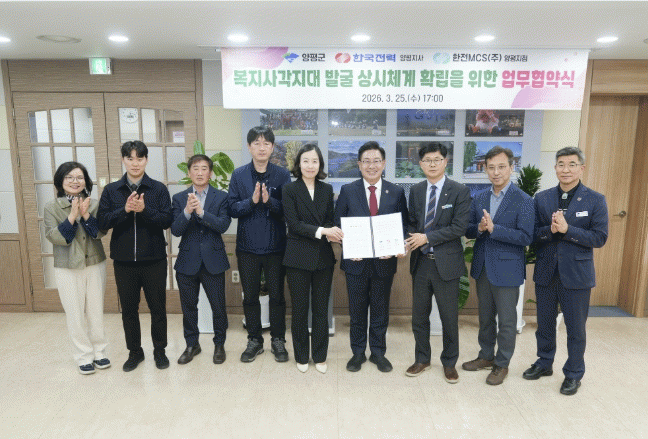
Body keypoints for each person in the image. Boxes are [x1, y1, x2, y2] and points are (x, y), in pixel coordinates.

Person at [523, 147, 608, 395]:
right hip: (547, 271)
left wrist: (567, 230)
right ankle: (544, 362)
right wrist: (550, 231)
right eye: (561, 164)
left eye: (572, 164)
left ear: (581, 168)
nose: (566, 170)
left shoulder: (595, 199)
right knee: (545, 324)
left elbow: (599, 237)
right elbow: (533, 234)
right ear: (555, 168)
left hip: (577, 275)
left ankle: (573, 373)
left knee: (576, 329)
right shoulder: (542, 198)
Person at [98, 141, 173, 372]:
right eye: (130, 158)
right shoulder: (112, 190)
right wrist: (125, 210)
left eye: (139, 158)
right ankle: (135, 352)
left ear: (146, 160)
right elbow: (102, 222)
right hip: (123, 261)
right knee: (129, 310)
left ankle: (159, 351)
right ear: (123, 160)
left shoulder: (158, 189)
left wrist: (144, 210)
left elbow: (167, 221)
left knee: (158, 308)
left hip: (154, 260)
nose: (135, 163)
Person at [462, 146, 534, 385]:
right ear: (485, 169)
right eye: (491, 167)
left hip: (508, 271)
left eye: (501, 167)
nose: (496, 172)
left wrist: (495, 229)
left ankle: (501, 364)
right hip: (483, 268)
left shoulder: (523, 200)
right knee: (485, 318)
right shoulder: (480, 197)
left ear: (512, 168)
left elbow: (526, 237)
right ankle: (486, 356)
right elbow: (468, 229)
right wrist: (479, 228)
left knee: (507, 321)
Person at [334, 141, 408, 373]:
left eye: (376, 161)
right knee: (356, 311)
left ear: (384, 163)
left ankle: (378, 353)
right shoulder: (348, 190)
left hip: (384, 263)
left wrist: (398, 245)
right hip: (355, 263)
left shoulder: (396, 192)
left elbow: (403, 225)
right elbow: (338, 224)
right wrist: (349, 246)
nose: (371, 166)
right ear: (359, 164)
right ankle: (357, 353)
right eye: (366, 161)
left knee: (380, 310)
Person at [404, 142, 470, 383]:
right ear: (420, 164)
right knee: (419, 317)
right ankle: (422, 359)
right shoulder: (416, 190)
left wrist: (427, 237)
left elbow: (459, 228)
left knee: (449, 318)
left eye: (437, 159)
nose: (432, 164)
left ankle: (449, 363)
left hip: (447, 265)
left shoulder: (459, 191)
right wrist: (406, 241)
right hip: (421, 263)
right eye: (427, 160)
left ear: (445, 162)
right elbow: (412, 223)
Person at [228, 126, 291, 363]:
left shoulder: (282, 175)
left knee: (277, 297)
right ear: (249, 147)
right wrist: (252, 201)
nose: (261, 147)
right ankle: (254, 340)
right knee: (250, 297)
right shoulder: (239, 175)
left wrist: (270, 201)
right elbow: (232, 208)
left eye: (266, 143)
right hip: (247, 248)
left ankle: (278, 339)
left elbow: (287, 210)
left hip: (276, 247)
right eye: (256, 143)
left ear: (272, 147)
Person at [282, 144, 342, 373]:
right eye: (305, 161)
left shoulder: (327, 189)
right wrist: (324, 231)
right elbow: (294, 224)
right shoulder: (289, 189)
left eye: (314, 161)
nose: (310, 165)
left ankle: (320, 356)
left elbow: (329, 220)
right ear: (299, 164)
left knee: (321, 310)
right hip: (297, 258)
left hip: (323, 258)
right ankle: (301, 355)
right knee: (299, 309)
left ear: (320, 165)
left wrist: (332, 231)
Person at [44, 162, 108, 375]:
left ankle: (100, 352)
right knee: (75, 313)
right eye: (69, 177)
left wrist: (86, 214)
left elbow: (99, 233)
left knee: (96, 311)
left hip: (95, 263)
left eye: (80, 177)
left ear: (86, 182)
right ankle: (83, 356)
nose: (75, 181)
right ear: (60, 181)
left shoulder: (94, 204)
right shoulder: (51, 207)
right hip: (67, 267)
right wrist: (72, 215)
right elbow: (56, 237)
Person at [171, 154, 231, 365]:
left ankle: (219, 344)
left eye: (204, 168)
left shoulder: (221, 197)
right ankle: (192, 345)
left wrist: (202, 212)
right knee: (189, 307)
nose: (199, 172)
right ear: (189, 173)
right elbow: (176, 230)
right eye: (195, 168)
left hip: (213, 260)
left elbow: (223, 225)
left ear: (210, 173)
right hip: (187, 261)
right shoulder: (179, 198)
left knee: (218, 307)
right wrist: (188, 211)